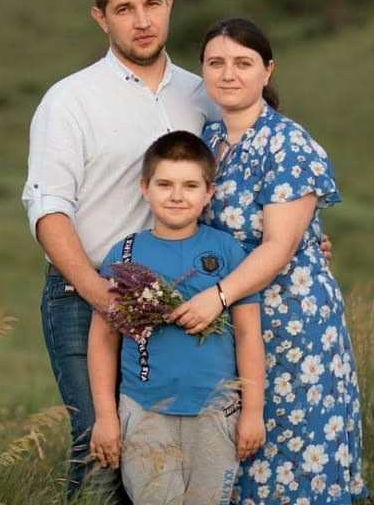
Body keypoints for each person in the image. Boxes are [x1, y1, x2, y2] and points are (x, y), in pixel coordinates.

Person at [22, 0, 217, 500]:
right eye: (124, 8)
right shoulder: (70, 101)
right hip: (85, 295)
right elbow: (47, 204)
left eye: (152, 4)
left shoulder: (202, 93)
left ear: (169, 4)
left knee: (168, 457)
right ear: (100, 17)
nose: (142, 20)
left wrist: (299, 236)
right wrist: (94, 289)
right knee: (101, 451)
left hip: (184, 300)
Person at [168, 17, 366, 504]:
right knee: (236, 464)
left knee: (296, 463)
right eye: (216, 63)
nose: (228, 74)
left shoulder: (288, 145)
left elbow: (278, 247)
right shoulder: (207, 141)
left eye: (243, 63)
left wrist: (215, 296)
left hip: (291, 326)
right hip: (231, 326)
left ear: (267, 71)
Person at [88, 131, 266, 505]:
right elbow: (104, 338)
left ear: (209, 192)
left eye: (189, 185)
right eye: (164, 184)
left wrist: (253, 411)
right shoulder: (126, 253)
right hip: (145, 409)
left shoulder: (227, 250)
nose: (176, 195)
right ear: (144, 188)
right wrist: (107, 416)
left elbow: (249, 335)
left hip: (216, 411)